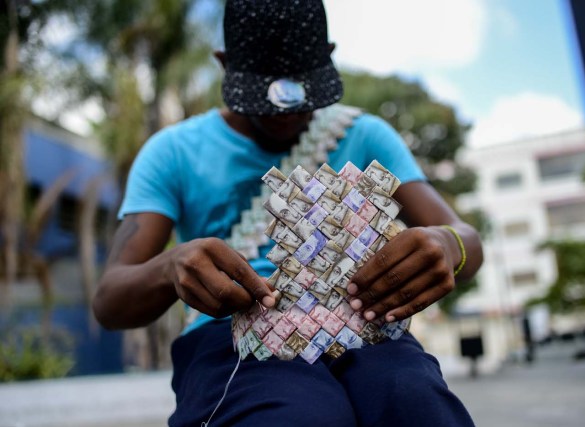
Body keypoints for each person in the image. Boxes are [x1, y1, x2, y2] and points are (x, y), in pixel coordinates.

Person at [92, 1, 483, 426]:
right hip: (234, 341)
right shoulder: (172, 153)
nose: (287, 116)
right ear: (225, 65)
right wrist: (170, 266)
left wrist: (448, 244)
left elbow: (465, 237)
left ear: (327, 59)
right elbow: (110, 300)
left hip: (363, 324)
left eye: (301, 97)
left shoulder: (365, 135)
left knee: (416, 404)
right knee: (295, 416)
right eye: (265, 99)